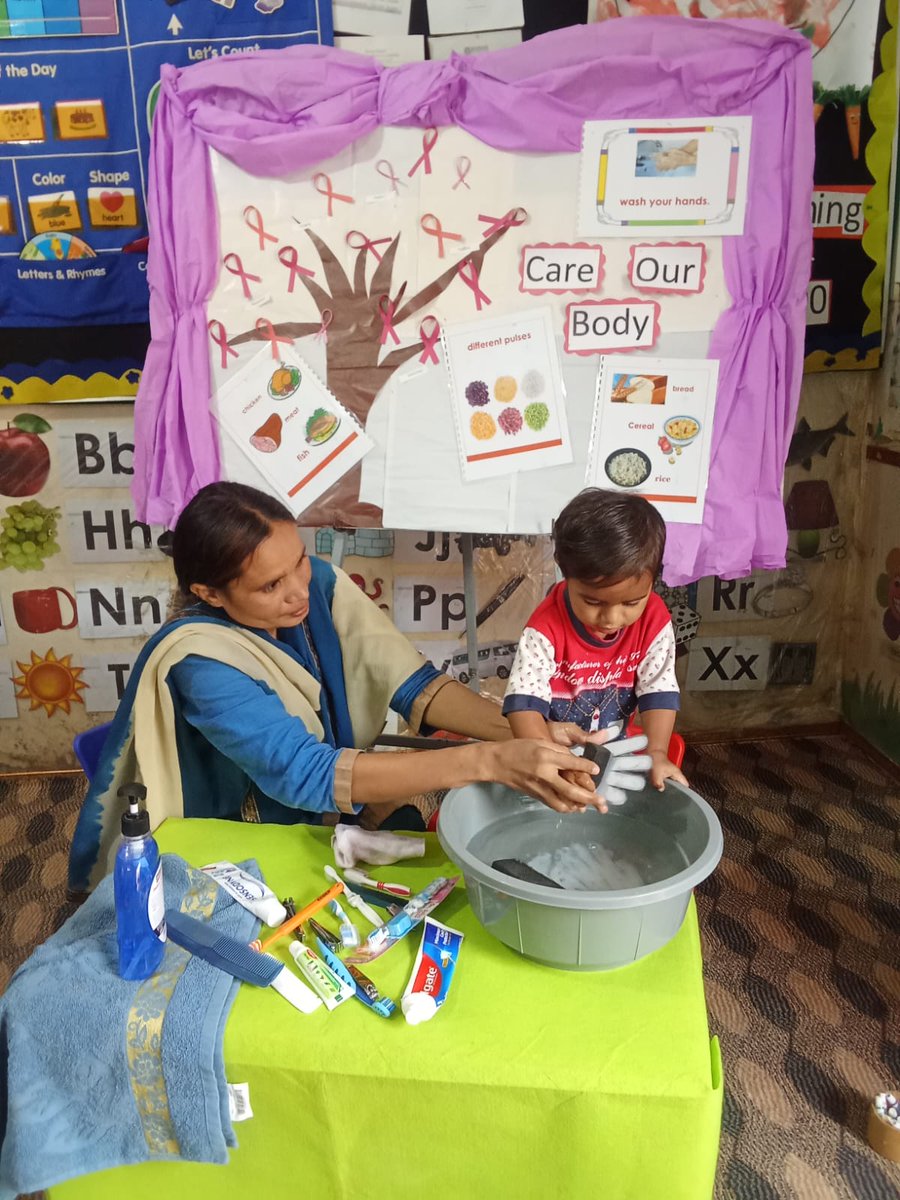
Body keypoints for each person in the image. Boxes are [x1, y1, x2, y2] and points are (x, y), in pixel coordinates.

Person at [69, 483, 619, 894]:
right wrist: (494, 761)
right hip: (243, 831)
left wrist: (526, 731)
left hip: (333, 807)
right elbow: (306, 774)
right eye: (270, 585)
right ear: (209, 593)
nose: (297, 592)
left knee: (427, 855)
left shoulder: (322, 588)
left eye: (299, 563)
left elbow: (414, 685)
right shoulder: (200, 664)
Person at [502, 488, 687, 800]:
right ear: (564, 572)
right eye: (592, 601)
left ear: (653, 580)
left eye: (631, 602)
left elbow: (658, 689)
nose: (611, 618)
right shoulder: (545, 627)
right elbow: (524, 705)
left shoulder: (654, 619)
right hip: (553, 744)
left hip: (616, 746)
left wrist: (657, 751)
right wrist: (548, 761)